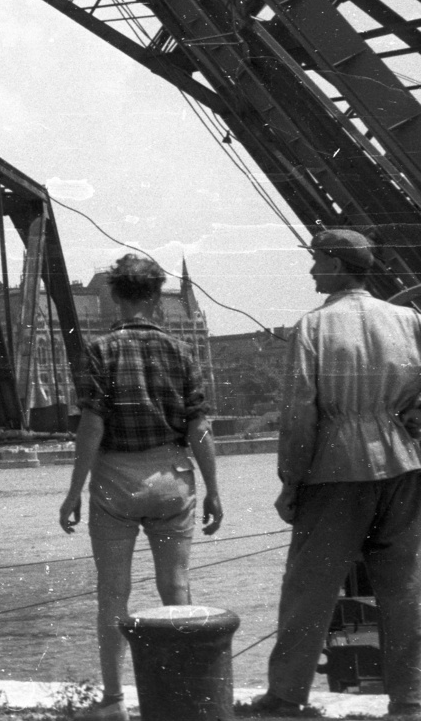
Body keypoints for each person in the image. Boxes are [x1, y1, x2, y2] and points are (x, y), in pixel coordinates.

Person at [250, 229, 421, 719]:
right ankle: (409, 701)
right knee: (406, 589)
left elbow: (299, 415)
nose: (311, 271)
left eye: (317, 261)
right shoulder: (408, 319)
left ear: (339, 265)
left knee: (309, 589)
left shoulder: (314, 327)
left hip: (336, 470)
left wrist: (291, 482)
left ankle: (286, 696)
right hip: (404, 468)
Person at [59, 254, 222, 721]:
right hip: (173, 477)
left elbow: (92, 425)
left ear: (113, 295)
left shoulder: (100, 350)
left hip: (115, 481)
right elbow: (199, 426)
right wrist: (213, 488)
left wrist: (74, 491)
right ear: (155, 296)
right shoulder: (181, 351)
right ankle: (186, 698)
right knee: (177, 586)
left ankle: (113, 702)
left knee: (113, 594)